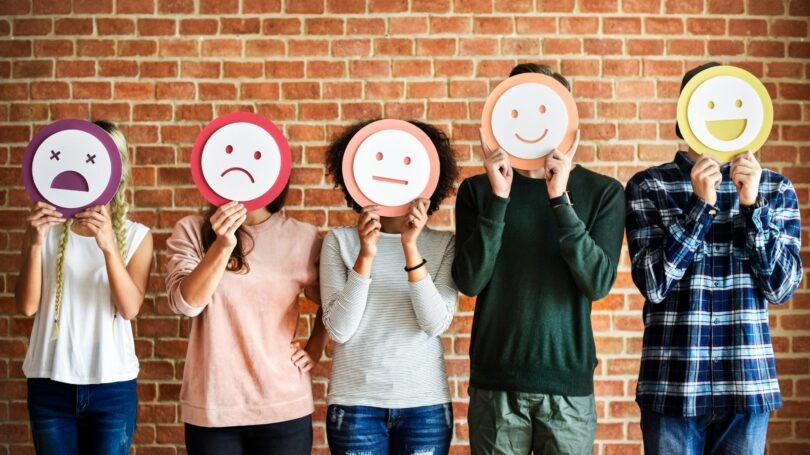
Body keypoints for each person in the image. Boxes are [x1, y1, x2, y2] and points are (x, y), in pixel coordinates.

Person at [625, 62, 803, 455]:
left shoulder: (775, 189)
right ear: (685, 114)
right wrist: (699, 206)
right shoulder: (649, 185)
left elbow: (782, 288)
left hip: (747, 383)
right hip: (672, 385)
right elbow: (653, 284)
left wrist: (752, 206)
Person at [453, 63, 626, 454]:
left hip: (567, 388)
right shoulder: (478, 191)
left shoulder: (604, 192)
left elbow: (597, 283)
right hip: (496, 385)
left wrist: (559, 198)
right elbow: (470, 281)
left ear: (567, 122)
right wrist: (499, 198)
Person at [320, 119, 459, 454]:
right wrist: (366, 255)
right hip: (355, 404)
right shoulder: (338, 241)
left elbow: (434, 323)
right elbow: (339, 330)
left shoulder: (444, 244)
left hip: (424, 407)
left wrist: (410, 247)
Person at [17, 120, 153, 455]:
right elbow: (27, 306)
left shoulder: (137, 236)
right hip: (49, 381)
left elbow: (130, 308)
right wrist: (34, 243)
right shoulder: (45, 230)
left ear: (117, 172)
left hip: (112, 386)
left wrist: (108, 247)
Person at [165, 185, 326, 455]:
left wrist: (315, 348)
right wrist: (222, 245)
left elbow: (335, 302)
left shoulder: (303, 237)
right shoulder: (191, 230)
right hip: (213, 408)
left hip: (283, 407)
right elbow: (186, 304)